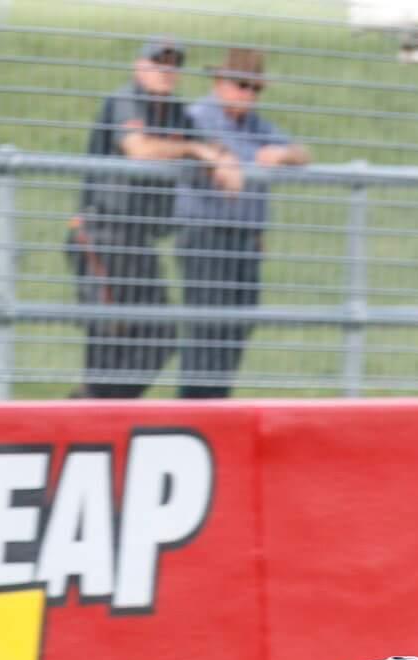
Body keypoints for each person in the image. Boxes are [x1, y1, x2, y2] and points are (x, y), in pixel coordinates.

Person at [66, 38, 242, 398]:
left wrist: (225, 160)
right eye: (158, 62)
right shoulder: (125, 100)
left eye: (173, 65)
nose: (166, 71)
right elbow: (139, 149)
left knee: (160, 336)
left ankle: (99, 408)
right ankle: (90, 410)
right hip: (102, 232)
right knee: (112, 332)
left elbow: (211, 148)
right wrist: (195, 150)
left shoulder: (175, 112)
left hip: (138, 239)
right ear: (139, 66)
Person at [176, 48, 309, 399]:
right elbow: (186, 147)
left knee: (239, 323)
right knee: (208, 329)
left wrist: (283, 154)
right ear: (220, 83)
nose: (249, 94)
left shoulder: (256, 126)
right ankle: (195, 405)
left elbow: (302, 153)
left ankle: (217, 401)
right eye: (242, 85)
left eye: (255, 88)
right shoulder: (196, 118)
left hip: (245, 241)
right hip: (206, 236)